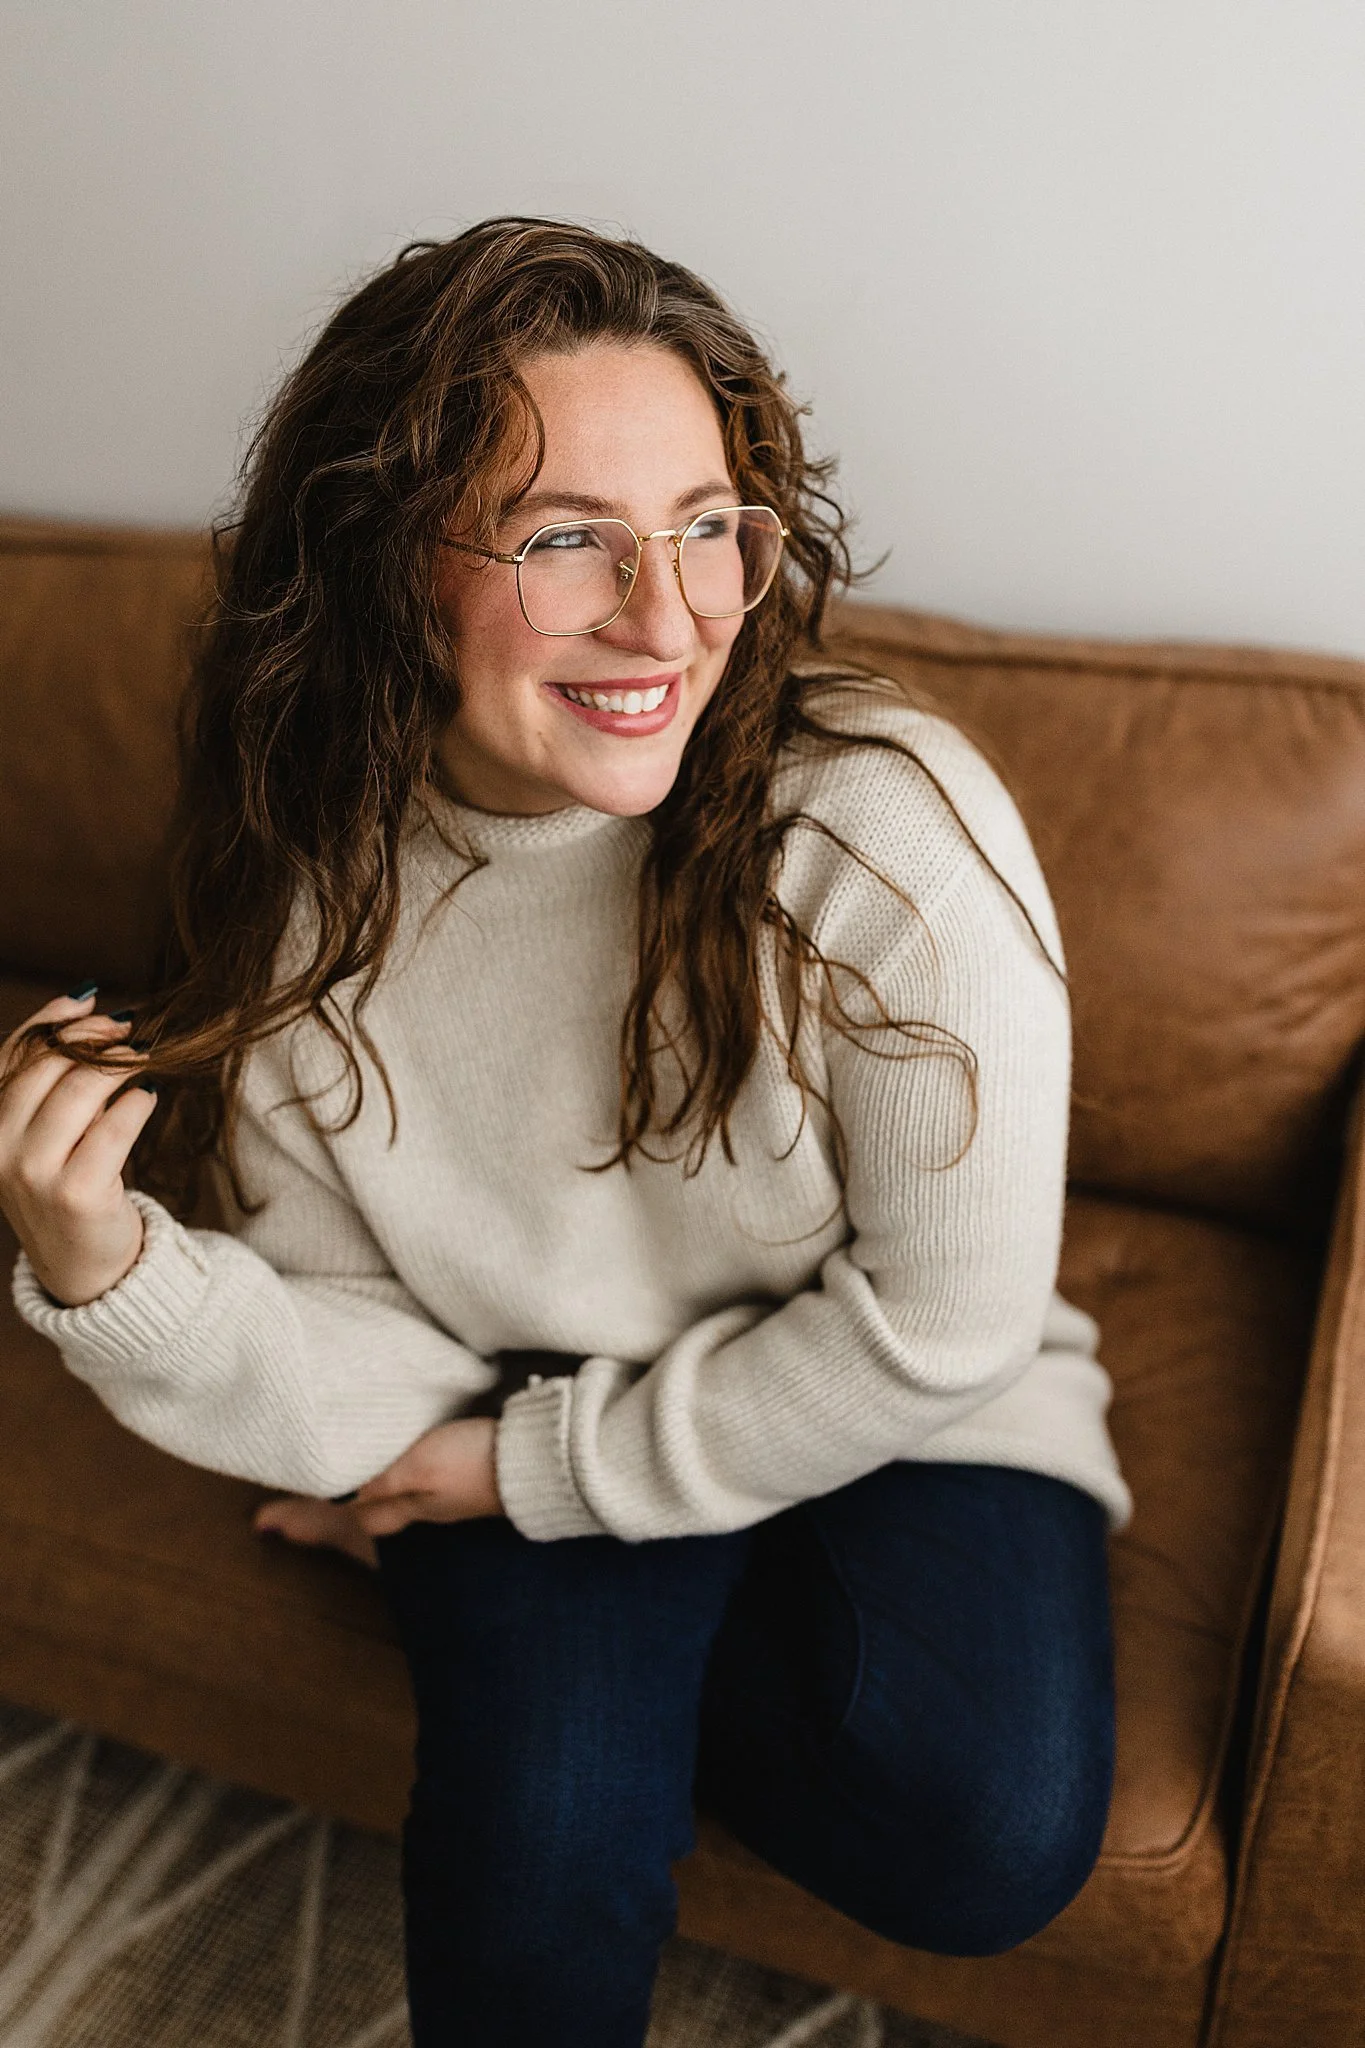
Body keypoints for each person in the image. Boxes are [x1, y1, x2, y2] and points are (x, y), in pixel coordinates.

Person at [0, 217, 1131, 2048]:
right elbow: (346, 1329)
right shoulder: (312, 873)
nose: (670, 616)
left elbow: (941, 1325)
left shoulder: (885, 833)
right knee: (528, 1884)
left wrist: (527, 1483)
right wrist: (108, 1271)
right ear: (387, 567)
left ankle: (513, 1566)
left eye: (707, 527)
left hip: (887, 1370)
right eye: (565, 543)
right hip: (504, 1368)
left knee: (988, 1842)